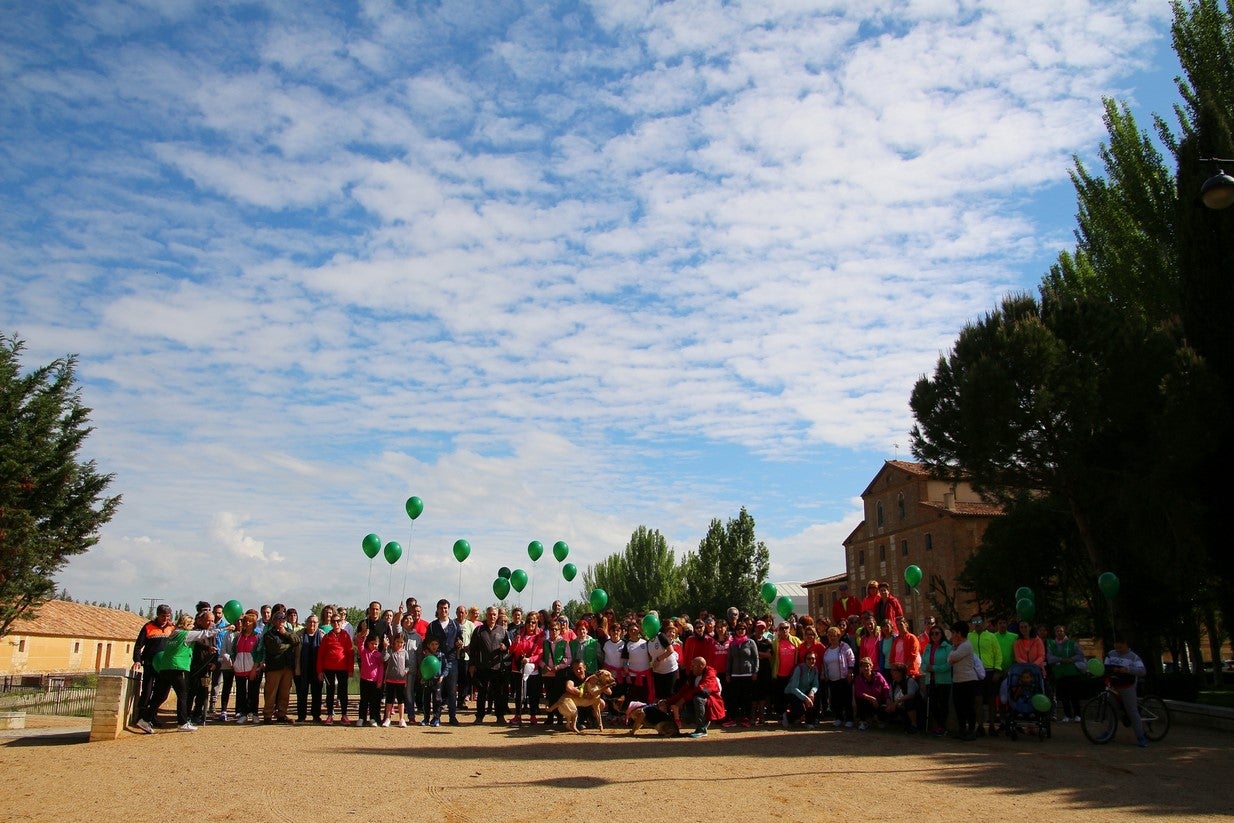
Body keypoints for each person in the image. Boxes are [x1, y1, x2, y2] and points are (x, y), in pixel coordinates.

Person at [137, 611, 226, 733]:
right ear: (186, 624)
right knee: (183, 695)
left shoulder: (172, 634)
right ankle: (183, 722)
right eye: (191, 625)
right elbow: (205, 633)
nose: (192, 627)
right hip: (178, 668)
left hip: (165, 667)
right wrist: (225, 628)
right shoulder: (185, 634)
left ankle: (145, 719)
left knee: (160, 696)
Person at [132, 604, 174, 724]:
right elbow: (138, 646)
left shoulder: (172, 628)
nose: (165, 618)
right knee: (147, 691)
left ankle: (152, 716)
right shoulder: (148, 626)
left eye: (168, 616)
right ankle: (141, 716)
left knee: (161, 692)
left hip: (165, 666)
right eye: (163, 616)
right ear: (158, 615)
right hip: (150, 664)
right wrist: (137, 660)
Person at [426, 599, 465, 726]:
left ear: (449, 609)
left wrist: (460, 643)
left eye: (446, 608)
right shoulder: (432, 626)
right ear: (437, 609)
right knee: (437, 690)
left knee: (452, 691)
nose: (444, 610)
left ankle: (452, 717)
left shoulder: (455, 625)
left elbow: (460, 639)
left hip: (451, 661)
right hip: (436, 662)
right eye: (441, 608)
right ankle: (436, 717)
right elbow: (427, 644)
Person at [1104, 637, 1149, 747]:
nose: (1118, 647)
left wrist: (1128, 670)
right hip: (1114, 686)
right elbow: (1105, 666)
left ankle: (1140, 736)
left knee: (1132, 711)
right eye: (1116, 644)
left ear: (1127, 645)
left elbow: (1142, 671)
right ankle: (1110, 733)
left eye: (1121, 645)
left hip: (1127, 686)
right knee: (1111, 710)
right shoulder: (1111, 654)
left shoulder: (1133, 657)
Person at [469, 606, 509, 724]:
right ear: (486, 615)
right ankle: (479, 716)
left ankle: (500, 716)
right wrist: (472, 664)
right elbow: (473, 649)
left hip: (497, 667)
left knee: (498, 693)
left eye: (494, 615)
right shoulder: (479, 630)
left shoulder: (502, 630)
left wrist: (504, 648)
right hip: (482, 667)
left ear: (497, 616)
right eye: (490, 614)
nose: (492, 616)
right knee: (482, 692)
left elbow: (508, 647)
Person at [669, 656, 725, 738]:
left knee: (698, 699)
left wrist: (683, 699)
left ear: (700, 667)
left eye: (693, 666)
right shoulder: (693, 676)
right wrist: (668, 701)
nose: (691, 668)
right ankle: (703, 722)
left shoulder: (710, 677)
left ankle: (702, 729)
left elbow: (701, 690)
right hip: (699, 701)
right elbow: (683, 690)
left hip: (712, 703)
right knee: (686, 716)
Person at [947, 620, 982, 741]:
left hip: (968, 680)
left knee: (968, 707)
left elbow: (952, 657)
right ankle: (962, 730)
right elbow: (950, 660)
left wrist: (953, 651)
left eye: (954, 632)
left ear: (959, 633)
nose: (952, 635)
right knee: (959, 707)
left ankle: (971, 730)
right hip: (958, 680)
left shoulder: (966, 645)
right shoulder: (957, 646)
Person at [317, 614, 355, 725]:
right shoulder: (327, 637)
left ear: (341, 622)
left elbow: (350, 652)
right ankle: (329, 715)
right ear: (331, 623)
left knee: (343, 692)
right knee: (330, 691)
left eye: (338, 621)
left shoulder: (346, 635)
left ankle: (344, 715)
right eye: (334, 621)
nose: (336, 623)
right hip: (328, 668)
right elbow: (320, 655)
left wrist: (350, 669)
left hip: (343, 668)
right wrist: (319, 670)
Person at [262, 610, 299, 723]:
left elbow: (297, 640)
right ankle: (268, 715)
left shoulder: (289, 631)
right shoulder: (269, 634)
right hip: (274, 668)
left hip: (287, 667)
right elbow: (277, 648)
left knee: (285, 692)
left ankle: (281, 714)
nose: (281, 621)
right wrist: (289, 645)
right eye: (279, 619)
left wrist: (285, 634)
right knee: (271, 692)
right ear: (274, 621)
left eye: (283, 619)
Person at [970, 615, 1003, 736]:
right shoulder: (969, 637)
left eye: (979, 621)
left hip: (989, 671)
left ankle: (993, 725)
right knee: (977, 700)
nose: (977, 623)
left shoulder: (991, 637)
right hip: (975, 673)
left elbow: (998, 654)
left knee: (991, 700)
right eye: (974, 621)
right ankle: (980, 725)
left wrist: (997, 670)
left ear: (984, 622)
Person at [509, 612, 544, 725]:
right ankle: (517, 715)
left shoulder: (539, 636)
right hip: (519, 668)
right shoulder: (520, 635)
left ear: (536, 623)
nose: (530, 624)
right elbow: (512, 651)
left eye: (533, 622)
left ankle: (533, 715)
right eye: (528, 622)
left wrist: (530, 659)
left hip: (533, 669)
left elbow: (540, 653)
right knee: (519, 693)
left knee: (533, 693)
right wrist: (516, 643)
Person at [1047, 625, 1086, 722]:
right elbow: (1050, 658)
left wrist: (1071, 659)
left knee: (1074, 695)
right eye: (1057, 631)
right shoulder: (1052, 645)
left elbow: (1080, 655)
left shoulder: (1072, 643)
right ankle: (1067, 715)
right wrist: (1061, 659)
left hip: (1072, 673)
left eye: (1061, 631)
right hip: (1060, 674)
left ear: (1064, 632)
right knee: (1063, 696)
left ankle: (1077, 715)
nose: (1059, 633)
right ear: (1055, 633)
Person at [723, 621, 759, 727]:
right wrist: (728, 674)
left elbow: (755, 658)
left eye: (743, 629)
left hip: (747, 674)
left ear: (746, 630)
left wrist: (755, 671)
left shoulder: (750, 642)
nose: (740, 631)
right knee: (734, 698)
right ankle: (733, 719)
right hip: (735, 675)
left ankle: (746, 718)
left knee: (746, 698)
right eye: (738, 629)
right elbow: (729, 660)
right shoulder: (732, 644)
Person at [232, 610, 264, 724]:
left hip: (253, 668)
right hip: (240, 668)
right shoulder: (238, 637)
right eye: (246, 621)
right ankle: (243, 713)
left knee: (253, 692)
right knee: (241, 692)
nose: (247, 623)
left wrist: (255, 668)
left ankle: (254, 713)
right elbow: (233, 651)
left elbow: (260, 653)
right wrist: (234, 662)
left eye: (250, 621)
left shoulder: (258, 637)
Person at [921, 622, 952, 735]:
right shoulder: (928, 647)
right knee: (933, 704)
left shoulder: (947, 647)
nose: (934, 636)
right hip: (931, 680)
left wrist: (934, 668)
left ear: (942, 634)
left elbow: (948, 664)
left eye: (937, 633)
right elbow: (923, 664)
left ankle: (943, 726)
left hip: (943, 681)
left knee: (943, 705)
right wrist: (927, 668)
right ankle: (938, 725)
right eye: (932, 634)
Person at [822, 626, 856, 728]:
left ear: (838, 636)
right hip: (832, 679)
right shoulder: (827, 650)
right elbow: (825, 664)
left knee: (847, 699)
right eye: (830, 636)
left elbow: (851, 659)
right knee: (836, 700)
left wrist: (850, 672)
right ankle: (838, 718)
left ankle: (849, 719)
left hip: (844, 678)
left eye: (834, 636)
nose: (832, 638)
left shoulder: (844, 647)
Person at [541, 621, 573, 726]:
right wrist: (544, 666)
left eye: (556, 629)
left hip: (559, 674)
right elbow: (539, 658)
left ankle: (560, 718)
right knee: (549, 696)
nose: (553, 631)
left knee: (559, 696)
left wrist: (559, 667)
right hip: (547, 673)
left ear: (559, 631)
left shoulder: (564, 643)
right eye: (551, 629)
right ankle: (549, 717)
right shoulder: (545, 643)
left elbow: (569, 658)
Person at [295, 614, 324, 723]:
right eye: (310, 622)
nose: (312, 624)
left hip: (317, 669)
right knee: (302, 693)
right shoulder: (299, 635)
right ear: (306, 623)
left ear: (318, 624)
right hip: (303, 668)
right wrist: (297, 668)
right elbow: (296, 653)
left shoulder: (322, 635)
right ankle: (301, 716)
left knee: (317, 693)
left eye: (315, 622)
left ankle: (316, 716)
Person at [783, 650, 821, 728]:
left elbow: (815, 684)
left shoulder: (815, 670)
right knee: (800, 710)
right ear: (805, 660)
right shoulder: (799, 669)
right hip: (792, 693)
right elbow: (794, 688)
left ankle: (810, 722)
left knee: (814, 699)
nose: (811, 660)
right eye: (809, 658)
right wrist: (805, 698)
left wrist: (812, 692)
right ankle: (787, 716)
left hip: (805, 692)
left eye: (813, 659)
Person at [382, 633, 412, 727]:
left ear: (404, 643)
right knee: (389, 700)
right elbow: (384, 658)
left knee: (401, 700)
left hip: (401, 680)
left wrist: (406, 671)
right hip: (390, 680)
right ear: (394, 642)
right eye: (397, 641)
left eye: (401, 642)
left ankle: (401, 719)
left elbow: (408, 665)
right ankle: (387, 718)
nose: (399, 644)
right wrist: (385, 648)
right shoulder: (390, 651)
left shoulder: (405, 653)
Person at [853, 657, 889, 730]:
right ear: (860, 668)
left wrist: (887, 698)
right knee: (860, 700)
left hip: (879, 700)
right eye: (863, 666)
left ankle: (880, 720)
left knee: (884, 706)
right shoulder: (858, 678)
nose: (866, 668)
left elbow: (886, 688)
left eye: (867, 666)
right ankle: (863, 721)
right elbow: (858, 692)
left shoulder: (878, 676)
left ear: (871, 666)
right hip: (867, 700)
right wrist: (871, 698)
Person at [648, 622, 680, 707]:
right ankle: (661, 715)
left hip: (670, 670)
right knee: (659, 696)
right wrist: (652, 664)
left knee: (670, 695)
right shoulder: (649, 641)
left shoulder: (661, 636)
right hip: (658, 672)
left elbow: (670, 650)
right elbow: (651, 657)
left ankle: (672, 716)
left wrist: (658, 659)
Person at [418, 636, 447, 727]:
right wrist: (422, 677)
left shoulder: (441, 655)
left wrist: (442, 676)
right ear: (428, 645)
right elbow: (422, 667)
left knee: (437, 700)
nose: (434, 646)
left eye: (436, 644)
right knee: (426, 699)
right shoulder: (425, 656)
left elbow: (446, 667)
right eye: (432, 644)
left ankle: (436, 718)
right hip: (427, 680)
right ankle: (426, 718)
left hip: (438, 680)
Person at [885, 663, 922, 732]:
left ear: (900, 672)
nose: (891, 672)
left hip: (915, 706)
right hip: (899, 705)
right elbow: (889, 696)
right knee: (883, 707)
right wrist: (889, 704)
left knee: (909, 702)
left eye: (894, 670)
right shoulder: (893, 682)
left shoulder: (910, 681)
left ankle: (914, 725)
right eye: (891, 670)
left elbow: (911, 695)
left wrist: (896, 702)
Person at [357, 634, 384, 727]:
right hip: (364, 680)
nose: (374, 646)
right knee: (363, 700)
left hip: (375, 681)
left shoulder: (379, 655)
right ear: (368, 643)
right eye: (372, 643)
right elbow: (360, 645)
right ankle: (361, 718)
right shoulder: (364, 652)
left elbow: (381, 669)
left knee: (374, 701)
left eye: (376, 644)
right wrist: (364, 636)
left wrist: (380, 681)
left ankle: (373, 718)